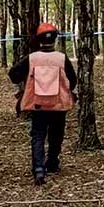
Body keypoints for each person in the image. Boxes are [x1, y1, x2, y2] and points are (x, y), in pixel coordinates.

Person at [7, 22, 77, 185]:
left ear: (38, 40)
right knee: (56, 135)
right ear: (55, 39)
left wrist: (24, 84)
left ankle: (38, 169)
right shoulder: (61, 58)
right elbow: (72, 80)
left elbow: (13, 75)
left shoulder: (32, 58)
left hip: (37, 104)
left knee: (38, 135)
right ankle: (52, 163)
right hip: (58, 105)